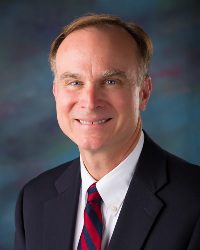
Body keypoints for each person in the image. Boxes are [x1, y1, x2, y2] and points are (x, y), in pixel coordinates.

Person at [14, 14, 200, 250]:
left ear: (143, 93)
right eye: (74, 82)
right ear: (55, 92)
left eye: (111, 81)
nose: (90, 102)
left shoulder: (194, 201)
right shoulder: (34, 199)